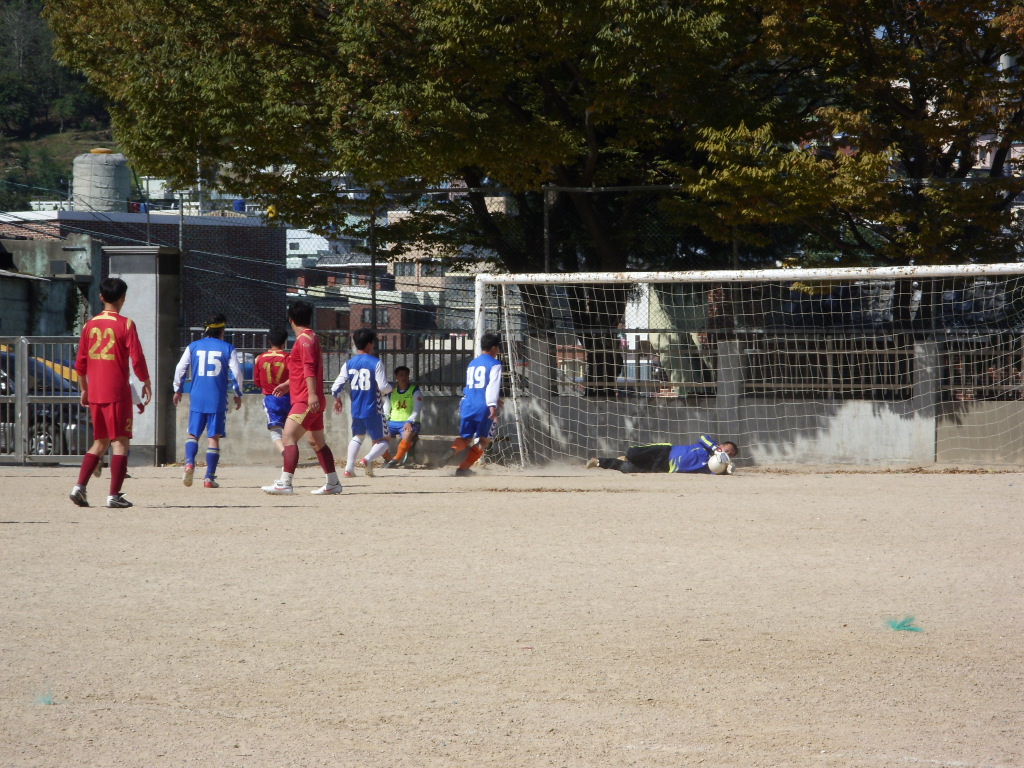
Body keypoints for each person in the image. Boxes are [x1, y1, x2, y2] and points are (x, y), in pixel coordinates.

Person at [69, 277, 153, 508]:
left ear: (101, 297)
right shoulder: (126, 324)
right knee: (120, 443)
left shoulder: (89, 325)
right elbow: (137, 357)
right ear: (123, 298)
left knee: (100, 442)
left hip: (96, 391)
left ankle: (79, 487)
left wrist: (84, 389)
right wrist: (146, 381)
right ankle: (114, 495)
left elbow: (80, 363)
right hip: (117, 391)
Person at [262, 300, 342, 495]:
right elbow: (302, 370)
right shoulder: (311, 337)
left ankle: (285, 483)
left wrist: (312, 394)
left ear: (291, 319)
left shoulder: (304, 340)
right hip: (310, 398)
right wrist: (287, 384)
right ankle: (333, 483)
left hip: (306, 400)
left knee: (288, 436)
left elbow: (309, 368)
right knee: (316, 441)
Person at [172, 313, 243, 489]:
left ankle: (189, 463)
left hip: (197, 396)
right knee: (214, 437)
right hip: (217, 398)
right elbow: (237, 373)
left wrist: (178, 389)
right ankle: (209, 478)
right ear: (222, 330)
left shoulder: (193, 346)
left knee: (193, 434)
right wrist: (237, 393)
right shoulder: (228, 348)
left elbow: (180, 368)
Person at [330, 328, 393, 478]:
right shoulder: (376, 362)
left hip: (356, 409)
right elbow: (383, 387)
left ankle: (349, 469)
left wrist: (338, 399)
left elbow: (335, 386)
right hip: (373, 409)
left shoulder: (349, 364)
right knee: (385, 440)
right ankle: (367, 459)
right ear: (370, 344)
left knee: (358, 436)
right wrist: (392, 388)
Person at [438, 332, 502, 477]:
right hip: (483, 407)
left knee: (466, 438)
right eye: (498, 348)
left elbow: (476, 387)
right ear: (493, 348)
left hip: (467, 404)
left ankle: (453, 449)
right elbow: (492, 386)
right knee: (484, 440)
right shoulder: (495, 364)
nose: (498, 351)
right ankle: (463, 468)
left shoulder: (472, 363)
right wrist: (492, 405)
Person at [586, 435, 738, 474]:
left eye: (731, 454)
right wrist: (715, 448)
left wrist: (727, 470)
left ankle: (598, 462)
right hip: (666, 451)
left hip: (665, 467)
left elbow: (716, 473)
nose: (727, 453)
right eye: (727, 449)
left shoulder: (714, 466)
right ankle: (626, 456)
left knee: (627, 468)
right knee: (632, 453)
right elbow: (703, 437)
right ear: (722, 445)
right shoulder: (707, 445)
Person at [254, 327, 291, 456]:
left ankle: (285, 454)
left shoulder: (260, 358)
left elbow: (257, 382)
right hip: (289, 398)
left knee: (275, 431)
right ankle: (290, 453)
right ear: (285, 342)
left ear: (269, 341)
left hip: (271, 399)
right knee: (290, 431)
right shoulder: (288, 358)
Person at [382, 365, 423, 469]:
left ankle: (396, 459)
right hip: (392, 422)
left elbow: (417, 410)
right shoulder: (391, 393)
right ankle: (388, 459)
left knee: (408, 433)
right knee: (378, 434)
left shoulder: (415, 391)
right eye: (401, 375)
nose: (404, 377)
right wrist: (384, 421)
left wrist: (409, 421)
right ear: (396, 377)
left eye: (406, 375)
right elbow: (386, 410)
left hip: (409, 422)